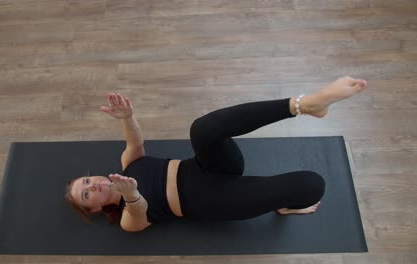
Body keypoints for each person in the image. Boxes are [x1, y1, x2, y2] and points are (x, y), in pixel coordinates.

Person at [65, 76, 368, 232]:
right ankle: (286, 206)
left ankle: (304, 104)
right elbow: (138, 212)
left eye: (88, 181)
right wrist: (131, 194)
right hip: (212, 201)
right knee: (312, 185)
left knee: (202, 129)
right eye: (87, 195)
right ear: (94, 210)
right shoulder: (126, 222)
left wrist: (127, 118)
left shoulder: (127, 164)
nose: (93, 186)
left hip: (205, 167)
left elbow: (134, 140)